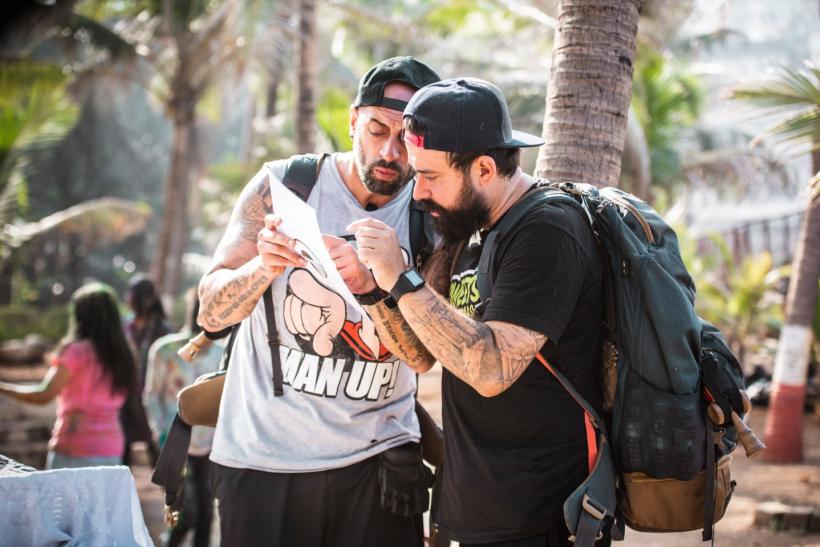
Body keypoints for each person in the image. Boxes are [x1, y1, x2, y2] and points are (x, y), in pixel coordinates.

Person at [348, 78, 606, 546]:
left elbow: (491, 370)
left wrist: (400, 278)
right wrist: (371, 288)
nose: (418, 192)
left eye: (430, 176)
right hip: (475, 505)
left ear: (484, 169)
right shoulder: (470, 225)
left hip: (538, 516)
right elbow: (420, 352)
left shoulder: (546, 230)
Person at [196, 57, 441, 547]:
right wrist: (262, 267)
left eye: (407, 139)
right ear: (353, 121)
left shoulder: (432, 212)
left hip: (378, 464)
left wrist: (373, 288)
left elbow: (422, 357)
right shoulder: (284, 185)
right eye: (377, 130)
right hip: (263, 460)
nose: (389, 152)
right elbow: (210, 311)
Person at [0, 283, 137, 469]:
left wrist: (3, 387)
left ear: (80, 316)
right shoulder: (124, 355)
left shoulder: (75, 352)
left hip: (74, 447)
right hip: (111, 448)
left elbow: (43, 394)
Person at [144, 288, 220, 547]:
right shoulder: (165, 350)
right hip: (175, 442)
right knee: (185, 514)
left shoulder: (224, 354)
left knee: (206, 514)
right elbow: (152, 395)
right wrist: (160, 432)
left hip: (211, 446)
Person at [121, 273, 169, 466]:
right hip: (126, 398)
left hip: (152, 400)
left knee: (158, 457)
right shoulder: (126, 326)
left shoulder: (163, 330)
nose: (128, 298)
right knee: (121, 458)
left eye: (131, 294)